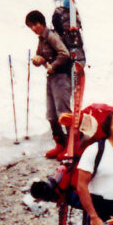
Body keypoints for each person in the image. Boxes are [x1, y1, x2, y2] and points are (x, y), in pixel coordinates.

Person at [26, 9, 73, 158]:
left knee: (63, 112)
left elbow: (64, 54)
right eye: (30, 26)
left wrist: (53, 65)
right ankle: (60, 144)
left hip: (61, 77)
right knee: (51, 113)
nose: (34, 28)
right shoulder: (41, 39)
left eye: (35, 24)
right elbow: (41, 56)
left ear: (42, 22)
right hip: (52, 78)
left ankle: (72, 145)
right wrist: (37, 60)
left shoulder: (51, 36)